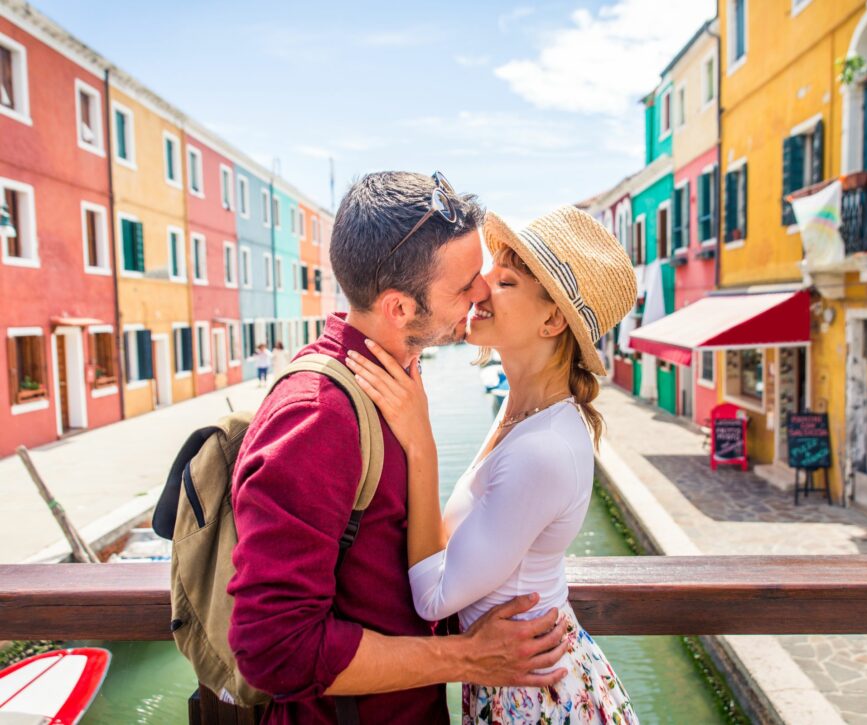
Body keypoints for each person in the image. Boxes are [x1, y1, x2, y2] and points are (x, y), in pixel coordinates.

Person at [227, 172, 570, 725]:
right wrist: (468, 658)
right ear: (398, 308)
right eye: (463, 287)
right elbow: (273, 650)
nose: (480, 292)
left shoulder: (393, 380)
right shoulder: (319, 418)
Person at [345, 205, 640, 724]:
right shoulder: (522, 408)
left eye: (505, 281)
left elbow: (435, 598)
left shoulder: (542, 450)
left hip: (538, 695)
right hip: (522, 677)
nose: (479, 287)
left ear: (553, 320)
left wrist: (421, 442)